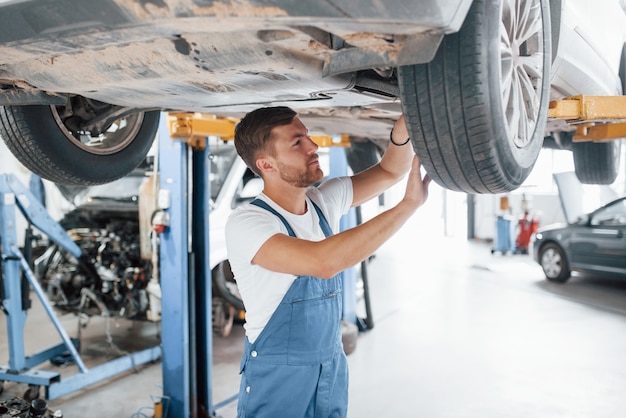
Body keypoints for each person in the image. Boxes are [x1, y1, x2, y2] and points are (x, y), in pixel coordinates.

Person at [225, 106, 431, 418]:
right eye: (297, 143)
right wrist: (408, 206)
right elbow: (324, 262)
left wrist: (401, 133)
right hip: (279, 381)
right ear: (266, 164)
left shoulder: (322, 202)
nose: (313, 146)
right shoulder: (249, 223)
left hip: (330, 370)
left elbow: (390, 171)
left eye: (307, 136)